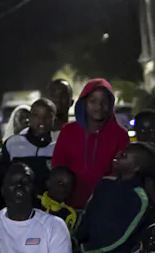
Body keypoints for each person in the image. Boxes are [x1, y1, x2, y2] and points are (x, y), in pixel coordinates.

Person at [52, 78, 129, 208]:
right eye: (93, 101)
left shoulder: (120, 135)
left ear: (111, 104)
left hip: (107, 207)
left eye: (104, 102)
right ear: (84, 102)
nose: (99, 106)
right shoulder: (68, 131)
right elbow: (58, 168)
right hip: (69, 207)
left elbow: (123, 173)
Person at [0, 98, 57, 194]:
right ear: (30, 118)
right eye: (36, 115)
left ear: (54, 119)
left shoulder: (58, 147)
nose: (42, 120)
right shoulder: (13, 143)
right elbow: (1, 177)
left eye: (48, 116)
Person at [39, 165, 77, 231]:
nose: (64, 188)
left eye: (68, 185)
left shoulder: (69, 213)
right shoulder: (33, 202)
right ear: (48, 183)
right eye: (60, 183)